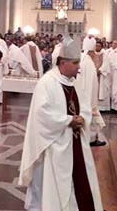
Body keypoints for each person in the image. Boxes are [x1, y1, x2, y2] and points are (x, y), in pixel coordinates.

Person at [19, 37, 103, 211]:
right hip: (54, 144)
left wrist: (82, 119)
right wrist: (67, 121)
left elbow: (85, 106)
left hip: (75, 141)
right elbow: (41, 115)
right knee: (52, 184)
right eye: (75, 63)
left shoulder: (74, 83)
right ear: (63, 62)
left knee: (78, 181)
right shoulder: (47, 83)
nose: (79, 67)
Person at [79, 47, 107, 147]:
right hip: (88, 94)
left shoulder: (81, 59)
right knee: (91, 115)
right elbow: (92, 82)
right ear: (90, 52)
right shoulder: (89, 63)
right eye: (94, 52)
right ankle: (91, 139)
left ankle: (88, 137)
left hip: (81, 93)